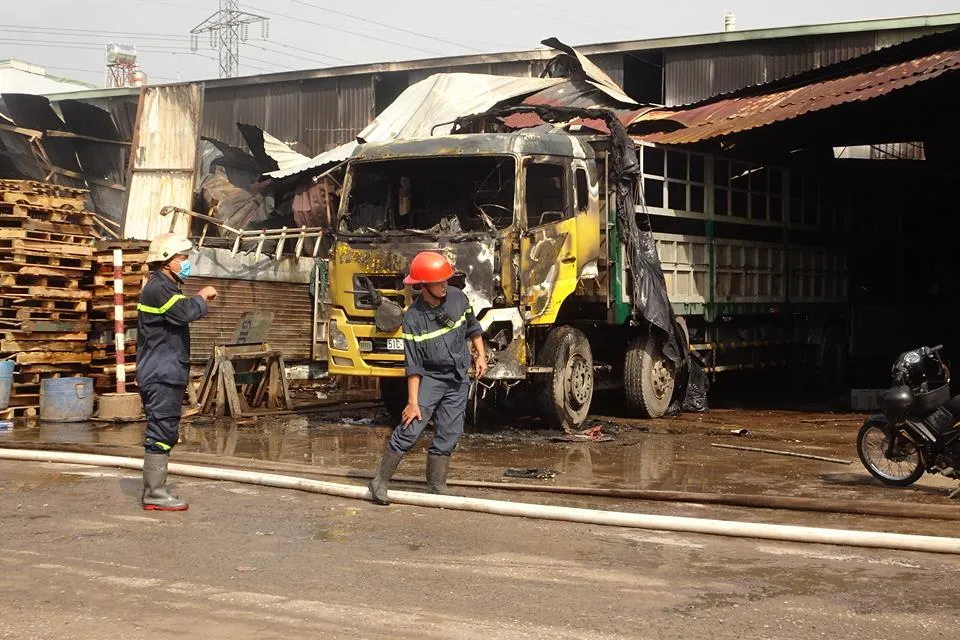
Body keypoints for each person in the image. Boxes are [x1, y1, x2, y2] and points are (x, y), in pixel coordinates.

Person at [368, 251, 487, 505]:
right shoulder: (413, 318)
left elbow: (473, 328)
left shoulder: (458, 299)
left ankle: (436, 485)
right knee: (412, 426)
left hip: (457, 377)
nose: (445, 285)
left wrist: (481, 356)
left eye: (446, 280)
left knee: (451, 430)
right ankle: (380, 481)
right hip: (431, 379)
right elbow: (413, 365)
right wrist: (412, 402)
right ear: (423, 285)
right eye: (439, 281)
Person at [136, 233, 218, 511]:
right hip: (161, 372)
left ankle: (155, 491)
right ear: (166, 260)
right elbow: (184, 313)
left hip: (165, 369)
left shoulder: (165, 287)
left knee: (165, 429)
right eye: (182, 258)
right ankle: (154, 494)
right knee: (161, 429)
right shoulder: (158, 288)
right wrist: (203, 296)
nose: (186, 263)